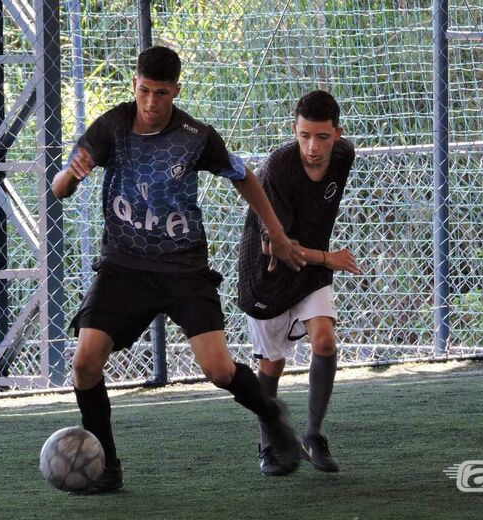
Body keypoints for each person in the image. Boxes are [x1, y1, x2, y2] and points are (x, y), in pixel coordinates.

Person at [51, 46, 306, 492]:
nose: (151, 103)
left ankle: (271, 415)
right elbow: (59, 190)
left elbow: (244, 177)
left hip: (183, 268)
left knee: (220, 371)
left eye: (162, 93)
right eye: (144, 90)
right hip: (124, 267)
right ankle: (107, 465)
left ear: (176, 91)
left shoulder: (196, 136)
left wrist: (278, 234)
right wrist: (72, 175)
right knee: (85, 363)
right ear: (134, 84)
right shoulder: (110, 126)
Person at [237, 90, 361, 476]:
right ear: (295, 131)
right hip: (267, 276)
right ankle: (268, 443)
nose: (312, 146)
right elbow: (282, 248)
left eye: (322, 137)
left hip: (309, 270)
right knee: (271, 364)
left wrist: (321, 260)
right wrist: (330, 258)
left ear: (337, 134)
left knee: (324, 339)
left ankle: (313, 434)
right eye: (304, 135)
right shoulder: (277, 169)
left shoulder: (344, 156)